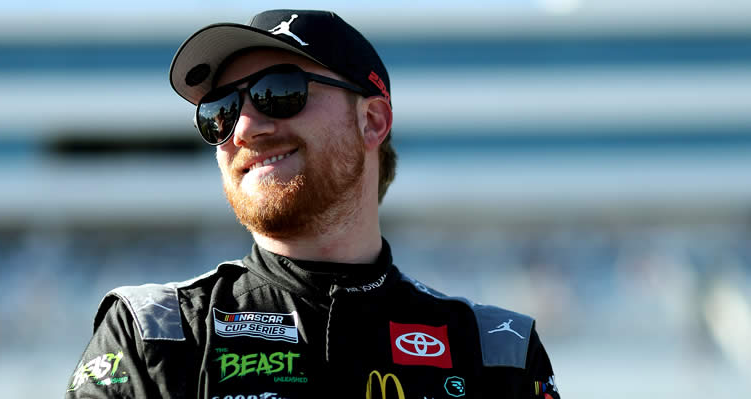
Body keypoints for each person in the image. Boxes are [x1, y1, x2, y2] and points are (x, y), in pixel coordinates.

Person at [65, 9, 560, 399]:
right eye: (221, 110)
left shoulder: (499, 352)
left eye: (278, 92)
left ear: (373, 122)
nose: (244, 128)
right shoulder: (153, 333)